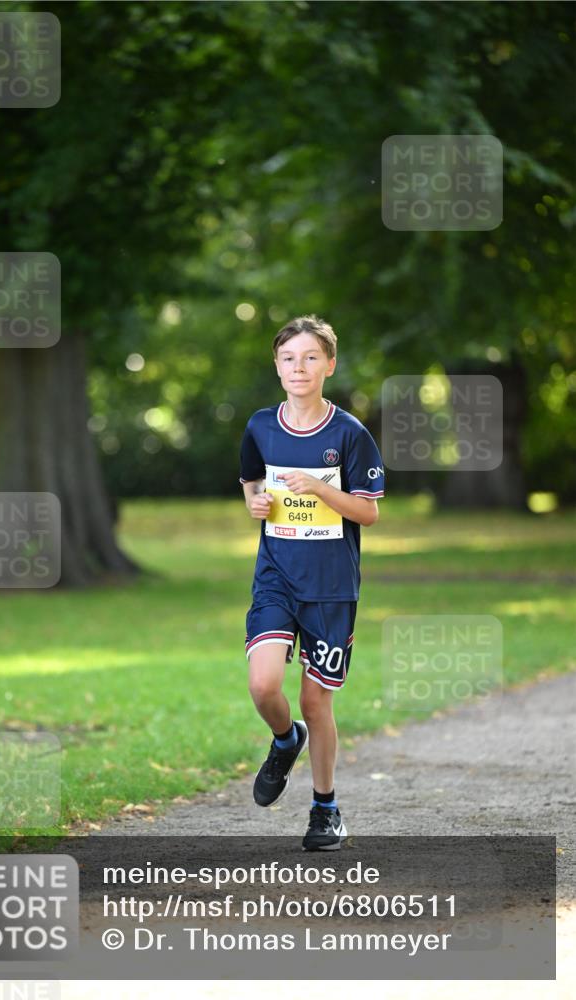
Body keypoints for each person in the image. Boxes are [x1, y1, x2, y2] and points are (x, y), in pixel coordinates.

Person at [239, 314, 385, 850]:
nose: (298, 367)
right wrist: (254, 502)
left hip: (330, 586)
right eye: (288, 358)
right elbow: (253, 485)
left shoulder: (349, 434)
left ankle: (325, 809)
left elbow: (367, 514)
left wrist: (322, 492)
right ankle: (284, 742)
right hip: (276, 576)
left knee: (315, 702)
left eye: (309, 358)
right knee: (263, 685)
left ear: (329, 364)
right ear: (276, 367)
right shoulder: (260, 425)